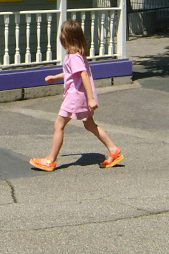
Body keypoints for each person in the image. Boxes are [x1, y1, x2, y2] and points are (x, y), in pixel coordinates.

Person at [29, 19, 124, 172]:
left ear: (67, 37)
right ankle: (113, 150)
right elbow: (71, 73)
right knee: (90, 125)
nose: (60, 35)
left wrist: (91, 98)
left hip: (76, 97)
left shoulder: (74, 57)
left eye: (62, 32)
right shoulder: (76, 55)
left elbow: (84, 75)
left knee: (58, 125)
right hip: (81, 97)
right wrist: (56, 77)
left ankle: (50, 161)